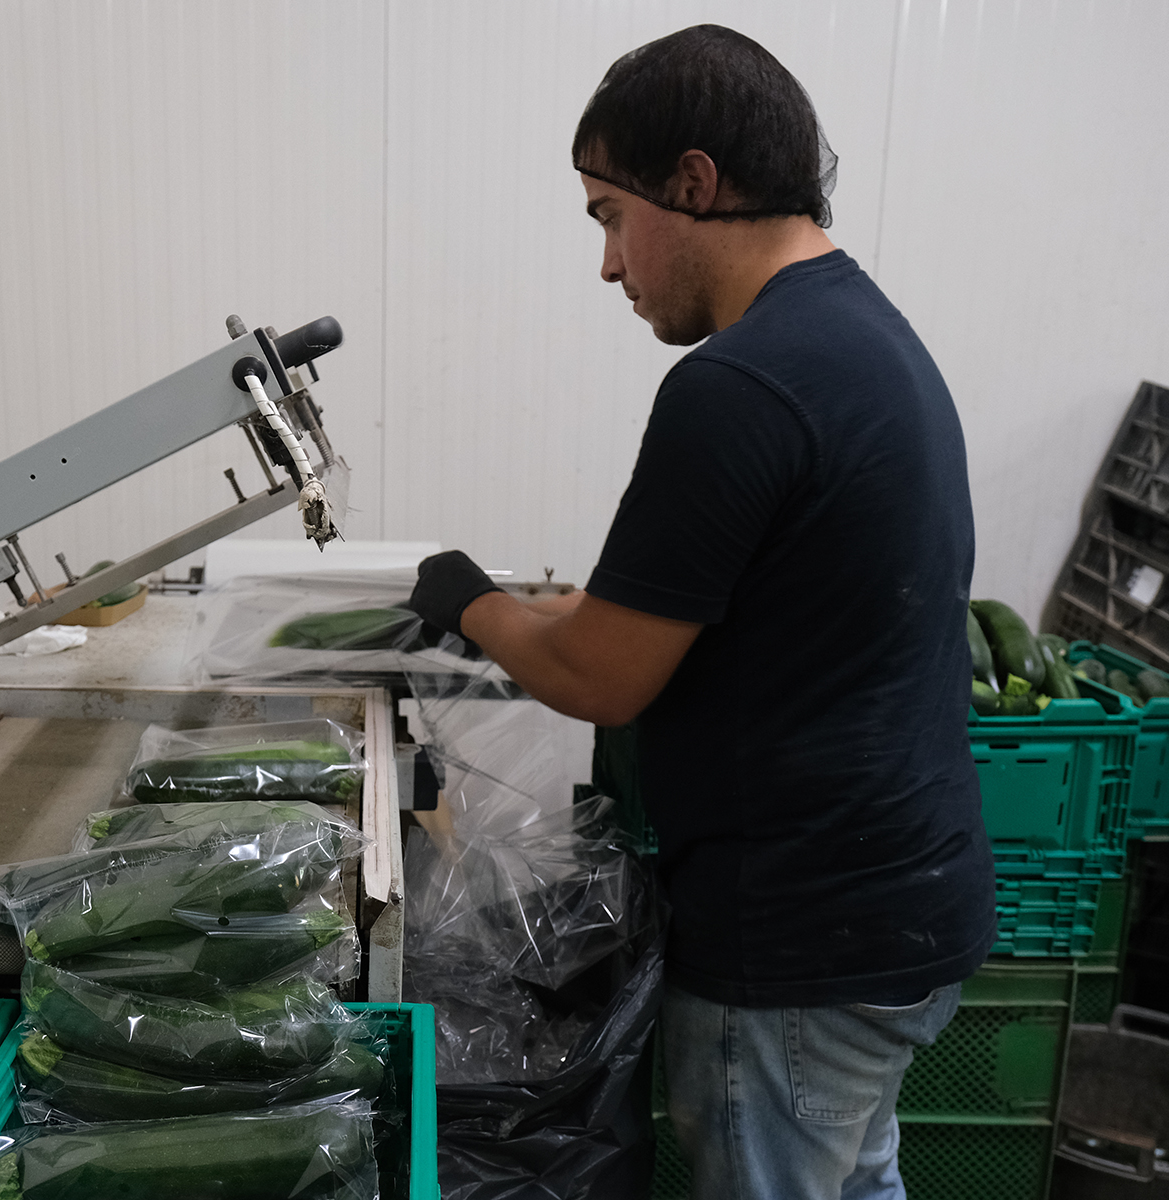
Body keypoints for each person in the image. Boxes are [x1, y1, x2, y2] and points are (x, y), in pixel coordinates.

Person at [407, 24, 995, 1200]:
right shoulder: (859, 334)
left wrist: (464, 600)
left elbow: (602, 680)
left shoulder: (736, 385)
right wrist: (559, 607)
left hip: (796, 941)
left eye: (608, 217)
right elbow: (736, 606)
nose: (608, 265)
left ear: (691, 183)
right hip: (900, 909)